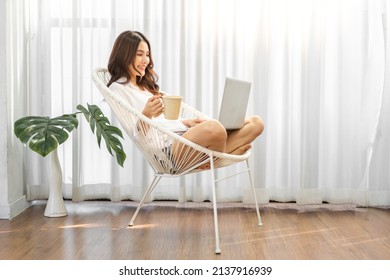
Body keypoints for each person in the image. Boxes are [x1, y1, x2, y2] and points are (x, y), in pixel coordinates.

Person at [107, 31, 264, 168]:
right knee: (216, 128)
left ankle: (213, 158)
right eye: (139, 54)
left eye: (147, 54)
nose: (146, 60)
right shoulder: (118, 89)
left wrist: (185, 123)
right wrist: (146, 115)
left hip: (183, 135)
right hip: (168, 150)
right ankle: (220, 157)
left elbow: (166, 119)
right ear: (124, 55)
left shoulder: (148, 87)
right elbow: (136, 136)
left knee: (256, 123)